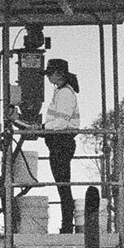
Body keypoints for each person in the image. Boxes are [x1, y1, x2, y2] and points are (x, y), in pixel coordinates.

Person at [43, 57, 81, 233]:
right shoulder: (60, 92)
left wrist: (42, 128)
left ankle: (67, 224)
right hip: (58, 142)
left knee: (63, 185)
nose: (48, 77)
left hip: (61, 142)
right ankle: (67, 223)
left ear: (59, 74)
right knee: (62, 184)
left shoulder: (65, 93)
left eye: (50, 73)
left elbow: (62, 122)